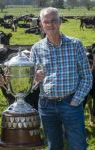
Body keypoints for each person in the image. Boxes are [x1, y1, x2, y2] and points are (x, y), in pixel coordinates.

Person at [30, 7, 93, 150]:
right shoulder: (36, 49)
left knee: (78, 145)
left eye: (54, 21)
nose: (50, 24)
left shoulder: (75, 45)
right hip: (46, 105)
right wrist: (36, 79)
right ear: (41, 24)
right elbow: (31, 84)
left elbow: (86, 77)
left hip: (70, 102)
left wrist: (76, 100)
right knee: (53, 146)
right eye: (46, 22)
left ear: (59, 22)